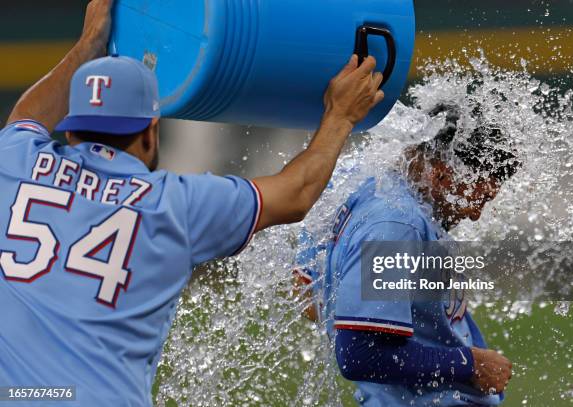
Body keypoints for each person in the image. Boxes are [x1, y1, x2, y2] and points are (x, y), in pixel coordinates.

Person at [0, 1, 386, 405]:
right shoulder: (176, 204)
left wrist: (88, 43)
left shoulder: (16, 162)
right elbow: (296, 193)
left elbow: (25, 116)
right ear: (150, 131)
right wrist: (340, 115)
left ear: (73, 133)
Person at [293, 102, 520, 406]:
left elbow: (302, 287)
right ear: (439, 172)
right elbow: (358, 354)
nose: (475, 214)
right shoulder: (397, 224)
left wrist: (351, 308)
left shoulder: (362, 176)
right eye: (476, 196)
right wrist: (471, 363)